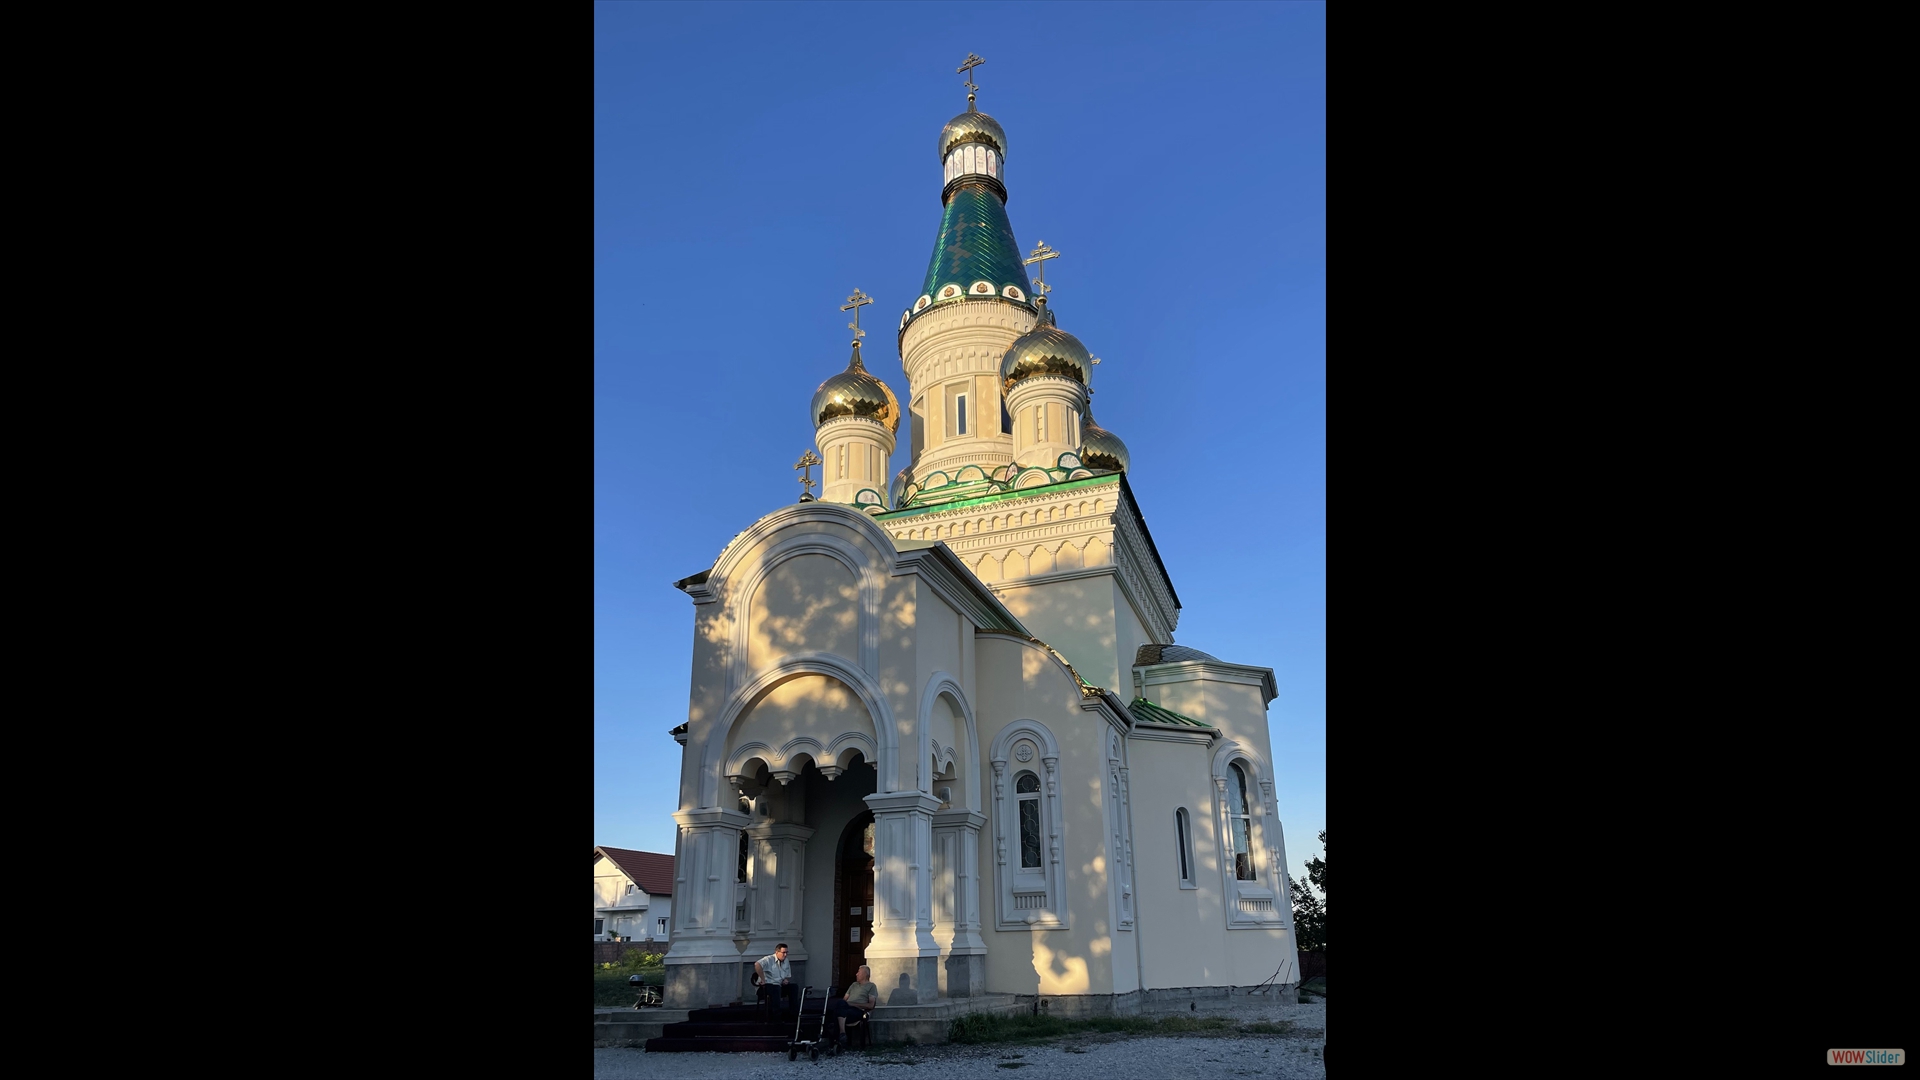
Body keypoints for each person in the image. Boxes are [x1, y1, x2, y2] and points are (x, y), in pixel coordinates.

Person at [824, 965, 878, 1050]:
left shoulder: (871, 986)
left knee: (836, 1014)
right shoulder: (853, 985)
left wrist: (852, 1004)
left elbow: (870, 1005)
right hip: (846, 1010)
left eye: (858, 972)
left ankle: (835, 1042)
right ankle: (841, 1036)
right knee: (838, 1006)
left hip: (860, 1011)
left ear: (864, 974)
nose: (856, 974)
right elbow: (844, 1000)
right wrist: (846, 1004)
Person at [754, 943, 798, 1018]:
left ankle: (793, 1014)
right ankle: (776, 1015)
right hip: (767, 985)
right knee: (776, 988)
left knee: (794, 987)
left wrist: (785, 980)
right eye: (783, 952)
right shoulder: (769, 959)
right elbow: (757, 964)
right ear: (777, 952)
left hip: (779, 984)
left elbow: (787, 975)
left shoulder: (786, 961)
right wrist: (762, 979)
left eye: (787, 952)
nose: (785, 955)